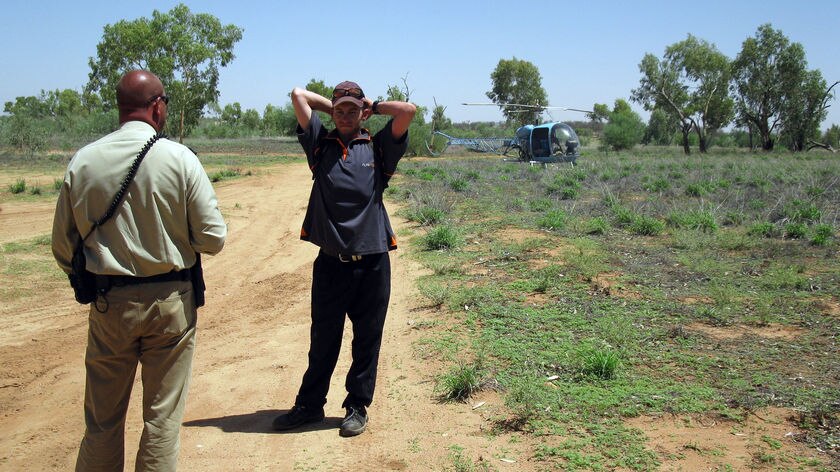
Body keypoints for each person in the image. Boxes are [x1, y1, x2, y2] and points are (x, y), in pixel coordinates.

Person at [51, 70, 226, 471]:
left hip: (110, 305)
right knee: (162, 421)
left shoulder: (84, 161)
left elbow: (63, 246)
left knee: (102, 422)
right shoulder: (180, 159)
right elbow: (213, 238)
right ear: (157, 106)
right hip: (171, 307)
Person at [272, 81, 415, 437]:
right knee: (323, 338)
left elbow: (407, 111)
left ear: (363, 113)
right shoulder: (320, 145)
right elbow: (297, 95)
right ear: (332, 113)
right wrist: (333, 105)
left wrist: (371, 105)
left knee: (367, 338)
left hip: (372, 263)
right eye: (341, 110)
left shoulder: (379, 148)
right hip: (331, 263)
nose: (347, 115)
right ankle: (309, 406)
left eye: (353, 110)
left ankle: (356, 406)